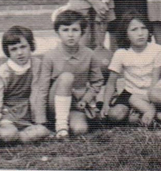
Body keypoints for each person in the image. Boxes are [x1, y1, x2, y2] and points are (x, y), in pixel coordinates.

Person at [33, 10, 106, 138]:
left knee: (80, 129)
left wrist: (86, 99)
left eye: (75, 30)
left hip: (76, 105)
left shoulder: (89, 54)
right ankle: (61, 126)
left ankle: (67, 123)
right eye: (65, 30)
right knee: (66, 77)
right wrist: (41, 120)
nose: (70, 35)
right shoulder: (50, 56)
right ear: (58, 32)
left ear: (82, 32)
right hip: (54, 105)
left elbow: (97, 82)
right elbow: (42, 90)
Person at [100, 12, 161, 127]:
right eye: (134, 30)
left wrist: (152, 106)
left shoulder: (157, 49)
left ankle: (159, 117)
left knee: (135, 119)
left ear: (149, 30)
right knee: (115, 115)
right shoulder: (121, 53)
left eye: (143, 28)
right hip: (130, 94)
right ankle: (142, 114)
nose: (140, 33)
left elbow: (156, 81)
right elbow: (111, 83)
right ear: (126, 34)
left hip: (152, 93)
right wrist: (105, 104)